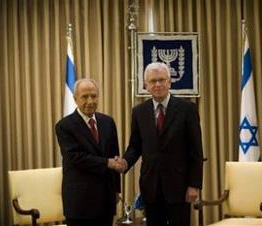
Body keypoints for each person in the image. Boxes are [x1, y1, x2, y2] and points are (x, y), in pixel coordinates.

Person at [117, 62, 203, 226]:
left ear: (169, 82)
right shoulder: (139, 112)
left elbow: (196, 151)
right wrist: (125, 162)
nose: (157, 84)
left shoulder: (187, 109)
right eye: (153, 81)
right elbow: (135, 146)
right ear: (146, 85)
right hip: (151, 186)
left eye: (162, 80)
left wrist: (194, 185)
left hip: (179, 186)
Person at [55, 78, 121, 226]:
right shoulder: (64, 126)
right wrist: (107, 163)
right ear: (75, 98)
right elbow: (75, 158)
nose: (90, 101)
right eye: (85, 96)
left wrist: (117, 189)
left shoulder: (108, 122)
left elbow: (114, 156)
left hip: (106, 199)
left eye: (94, 96)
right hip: (80, 202)